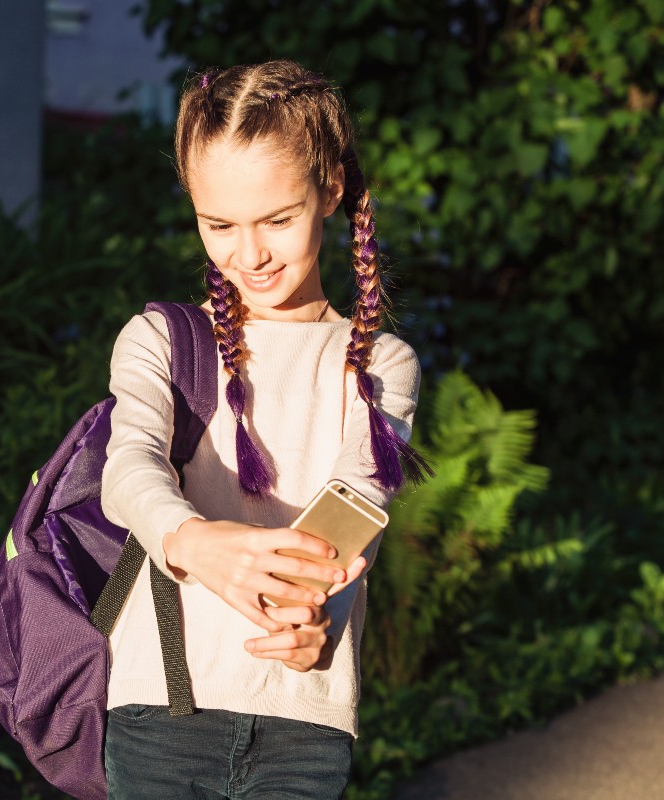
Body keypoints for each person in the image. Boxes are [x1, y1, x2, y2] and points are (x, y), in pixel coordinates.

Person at [99, 59, 429, 799]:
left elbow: (353, 506)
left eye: (277, 220)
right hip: (162, 705)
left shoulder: (382, 364)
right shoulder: (159, 338)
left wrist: (324, 618)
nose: (249, 255)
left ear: (332, 188)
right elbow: (129, 471)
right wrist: (195, 542)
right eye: (219, 225)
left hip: (304, 719)